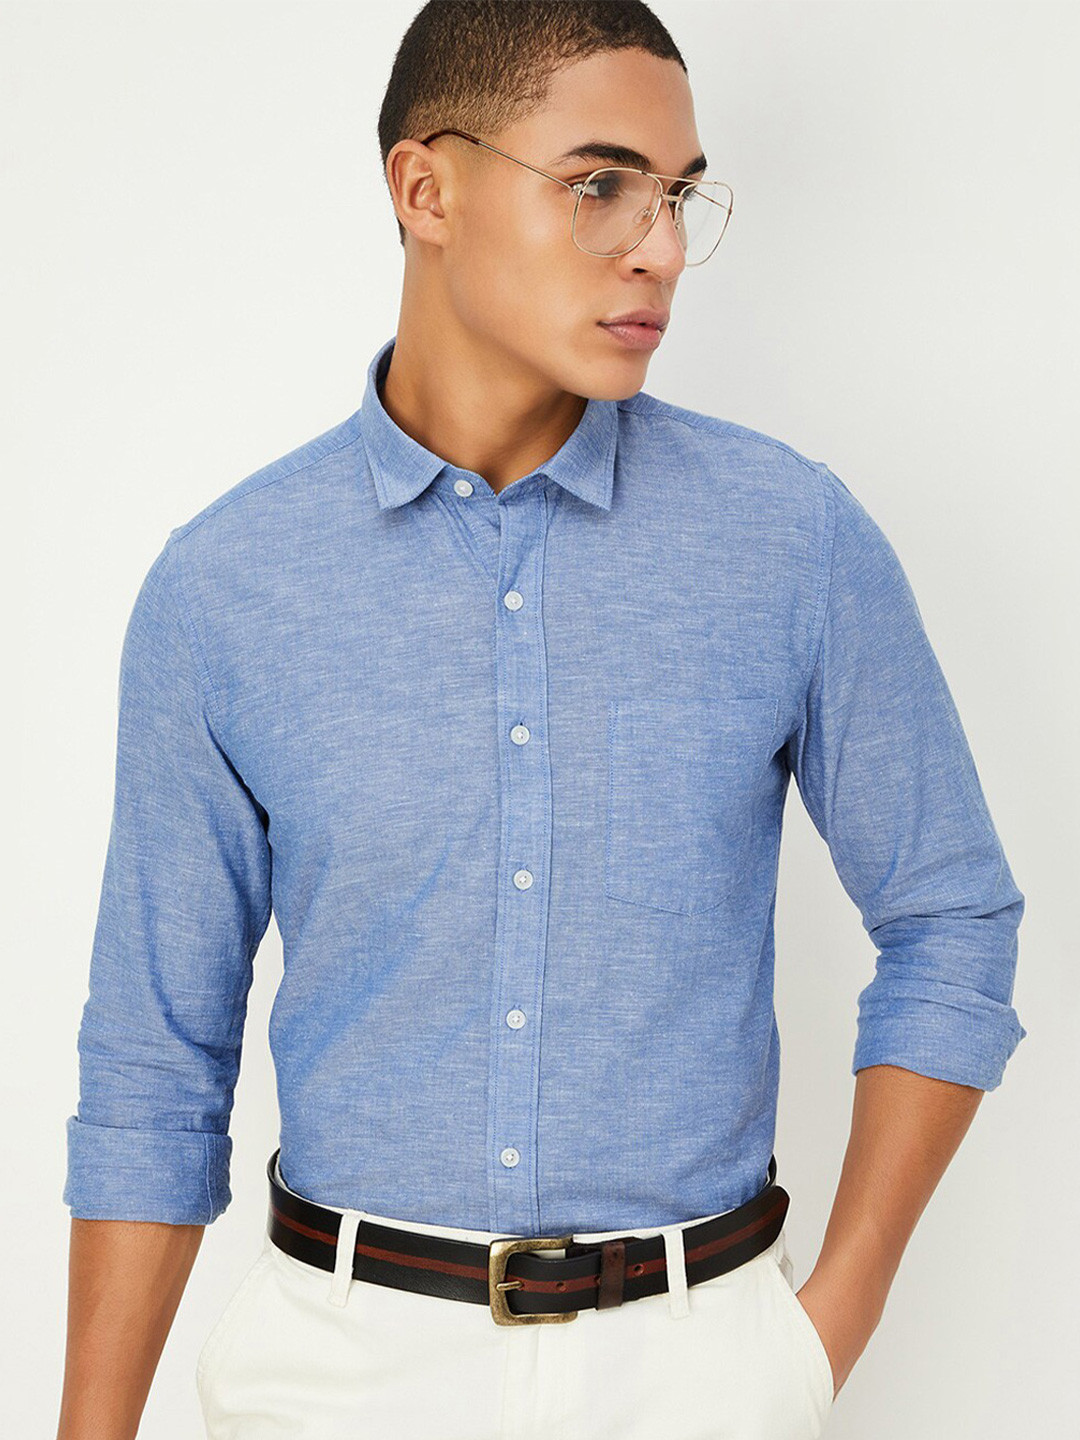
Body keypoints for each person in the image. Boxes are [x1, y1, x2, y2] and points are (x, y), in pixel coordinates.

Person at [56, 3, 1027, 1437]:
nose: (661, 249)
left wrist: (826, 1324)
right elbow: (156, 1061)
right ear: (425, 189)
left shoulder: (790, 541)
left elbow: (951, 915)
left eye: (679, 195)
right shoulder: (227, 589)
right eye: (600, 184)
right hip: (333, 1378)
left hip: (699, 1372)